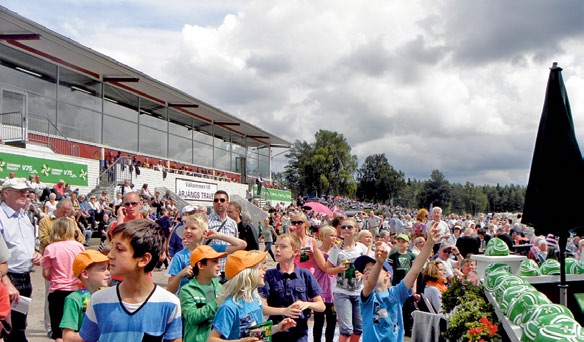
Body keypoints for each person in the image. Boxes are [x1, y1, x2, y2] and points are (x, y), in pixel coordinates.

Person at [79, 219, 182, 342]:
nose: (110, 255)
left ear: (144, 259)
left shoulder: (169, 303)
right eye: (112, 247)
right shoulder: (99, 300)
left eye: (119, 249)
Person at [356, 223, 440, 342]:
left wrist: (430, 243)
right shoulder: (368, 297)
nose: (367, 272)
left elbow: (415, 270)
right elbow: (370, 284)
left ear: (388, 274)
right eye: (365, 271)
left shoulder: (396, 293)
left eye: (372, 269)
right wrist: (379, 264)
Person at [207, 250, 296, 341]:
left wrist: (276, 328)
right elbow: (211, 339)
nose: (264, 272)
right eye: (259, 269)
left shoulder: (254, 300)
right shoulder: (229, 307)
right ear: (246, 274)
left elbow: (255, 332)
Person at [260, 234, 325, 341]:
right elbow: (262, 308)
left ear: (295, 252)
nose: (277, 250)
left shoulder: (305, 275)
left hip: (300, 334)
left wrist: (307, 304)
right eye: (276, 246)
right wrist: (284, 311)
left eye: (283, 247)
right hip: (276, 333)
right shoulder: (269, 275)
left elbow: (321, 306)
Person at [0, 178, 42, 341]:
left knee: (19, 327)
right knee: (7, 329)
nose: (24, 194)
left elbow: (25, 243)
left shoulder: (25, 215)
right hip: (8, 279)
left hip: (25, 278)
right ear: (6, 193)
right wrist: (6, 282)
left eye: (25, 191)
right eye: (19, 191)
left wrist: (36, 252)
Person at [166, 213, 246, 294]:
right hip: (188, 302)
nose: (188, 231)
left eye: (193, 228)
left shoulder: (212, 250)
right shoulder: (179, 256)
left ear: (204, 232)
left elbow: (242, 245)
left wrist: (218, 235)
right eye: (186, 228)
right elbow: (170, 290)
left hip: (210, 299)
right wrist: (180, 275)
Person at [41, 217, 86, 342]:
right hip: (76, 290)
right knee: (76, 329)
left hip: (58, 290)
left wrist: (56, 276)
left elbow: (46, 274)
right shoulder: (79, 247)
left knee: (58, 331)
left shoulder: (50, 248)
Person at [325, 217, 369, 342]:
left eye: (349, 227)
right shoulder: (336, 249)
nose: (346, 229)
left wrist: (362, 274)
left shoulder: (362, 248)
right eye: (343, 227)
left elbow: (369, 268)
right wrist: (338, 269)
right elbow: (328, 269)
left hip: (359, 292)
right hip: (341, 292)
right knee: (346, 330)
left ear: (356, 230)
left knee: (359, 329)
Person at [60, 250, 110, 342]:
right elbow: (67, 337)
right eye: (102, 269)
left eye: (108, 268)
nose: (107, 272)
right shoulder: (74, 299)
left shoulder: (111, 294)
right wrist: (94, 334)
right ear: (85, 274)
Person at [179, 245, 227, 342]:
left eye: (218, 261)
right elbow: (192, 317)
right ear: (201, 265)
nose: (219, 265)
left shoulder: (219, 287)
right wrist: (216, 302)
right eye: (214, 261)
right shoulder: (187, 290)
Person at [206, 191, 239, 283]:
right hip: (211, 268)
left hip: (228, 268)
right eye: (216, 200)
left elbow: (236, 244)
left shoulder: (232, 223)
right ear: (213, 203)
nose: (219, 202)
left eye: (222, 200)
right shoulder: (206, 221)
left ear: (227, 203)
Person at [312, 226, 337, 342]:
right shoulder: (318, 251)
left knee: (332, 319)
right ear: (323, 237)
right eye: (331, 235)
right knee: (319, 320)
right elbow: (325, 267)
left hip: (333, 286)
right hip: (321, 286)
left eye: (335, 235)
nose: (334, 238)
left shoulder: (336, 250)